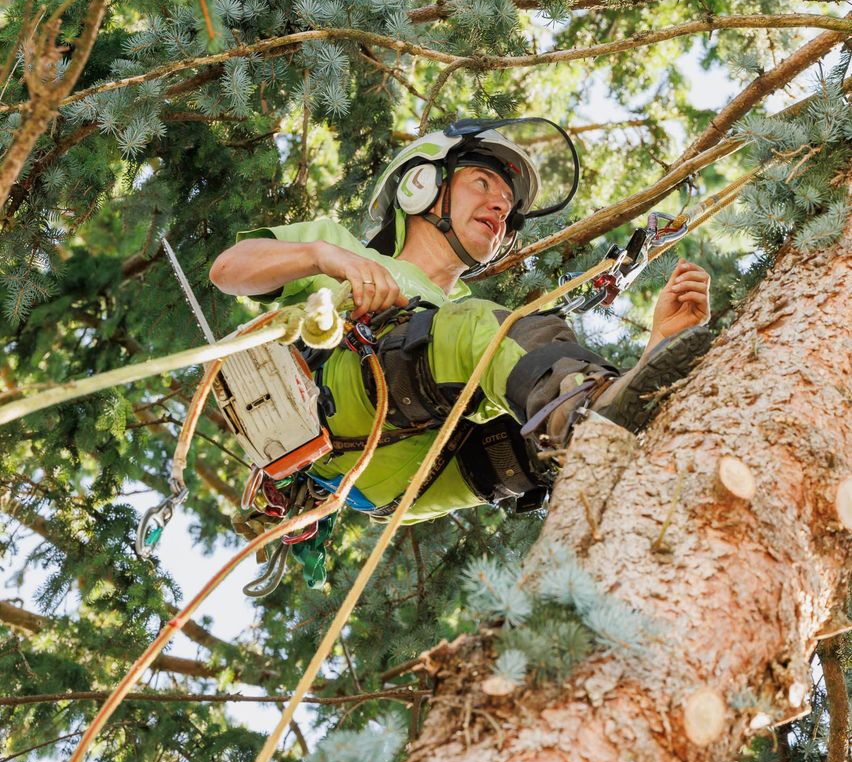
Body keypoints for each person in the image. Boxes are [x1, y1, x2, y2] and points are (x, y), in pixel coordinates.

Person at [210, 121, 712, 526]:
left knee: (529, 444)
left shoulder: (472, 316)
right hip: (333, 405)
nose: (501, 207)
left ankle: (628, 452)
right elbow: (228, 271)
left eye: (509, 206)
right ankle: (589, 412)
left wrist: (658, 347)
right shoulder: (343, 249)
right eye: (483, 182)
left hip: (416, 472)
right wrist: (325, 257)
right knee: (493, 331)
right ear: (421, 185)